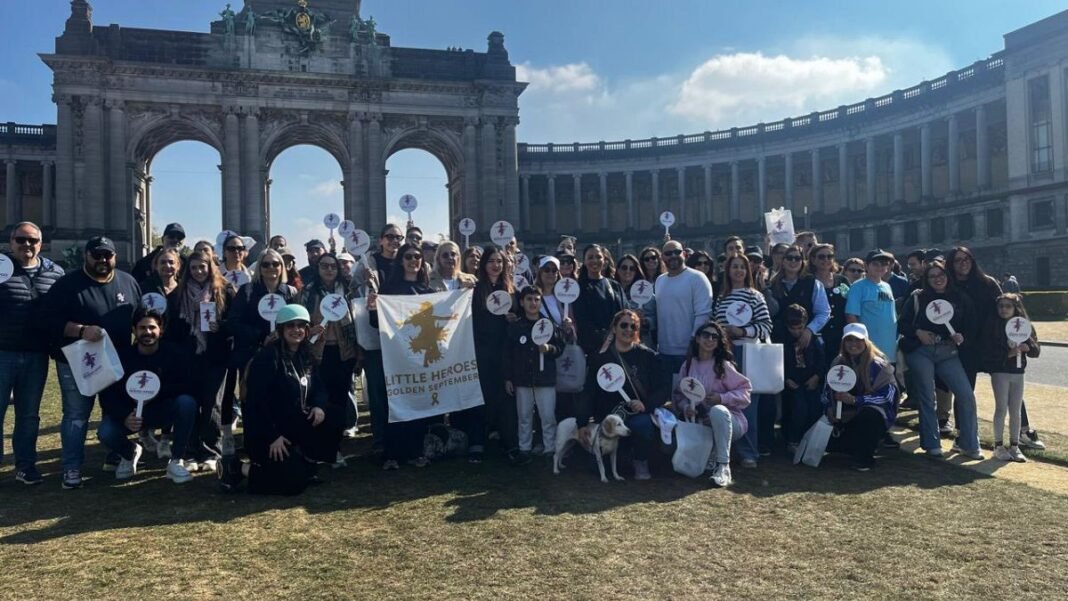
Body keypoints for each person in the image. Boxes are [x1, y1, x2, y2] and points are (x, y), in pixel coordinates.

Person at [40, 236, 142, 489]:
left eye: (107, 255)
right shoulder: (67, 285)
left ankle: (117, 452)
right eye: (96, 255)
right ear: (86, 256)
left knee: (113, 416)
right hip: (76, 363)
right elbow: (46, 322)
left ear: (115, 257)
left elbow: (141, 320)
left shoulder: (128, 282)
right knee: (76, 415)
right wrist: (80, 329)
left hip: (116, 364)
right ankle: (72, 468)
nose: (102, 260)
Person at [230, 304, 343, 495]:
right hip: (268, 434)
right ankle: (239, 469)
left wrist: (318, 406)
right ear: (281, 329)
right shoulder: (267, 358)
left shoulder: (305, 355)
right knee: (294, 484)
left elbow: (319, 387)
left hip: (293, 427)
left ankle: (307, 463)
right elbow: (256, 403)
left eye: (301, 326)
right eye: (290, 326)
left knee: (335, 415)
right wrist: (272, 435)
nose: (296, 330)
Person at [96, 308, 197, 484]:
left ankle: (176, 460)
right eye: (142, 328)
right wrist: (125, 415)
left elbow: (186, 385)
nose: (147, 332)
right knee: (106, 431)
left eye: (152, 327)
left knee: (187, 403)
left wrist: (157, 393)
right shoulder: (122, 358)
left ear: (161, 330)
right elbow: (108, 395)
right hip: (131, 414)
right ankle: (129, 453)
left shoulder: (174, 354)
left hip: (161, 410)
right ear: (134, 330)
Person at [0, 222, 64, 485]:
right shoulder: (1, 269)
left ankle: (26, 466)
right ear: (11, 242)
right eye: (21, 240)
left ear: (42, 243)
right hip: (2, 352)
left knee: (29, 414)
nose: (27, 245)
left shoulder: (55, 273)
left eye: (33, 240)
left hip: (36, 355)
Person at [898, 261, 981, 460]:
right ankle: (931, 443)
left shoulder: (959, 297)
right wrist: (918, 332)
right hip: (921, 351)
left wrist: (962, 337)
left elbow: (971, 325)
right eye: (932, 276)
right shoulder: (918, 297)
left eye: (941, 274)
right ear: (926, 279)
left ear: (948, 275)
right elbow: (902, 324)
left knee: (966, 394)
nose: (937, 279)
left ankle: (970, 444)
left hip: (948, 352)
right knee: (927, 397)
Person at [368, 243, 437, 469]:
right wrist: (372, 309)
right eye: (408, 256)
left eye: (417, 256)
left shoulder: (428, 292)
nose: (413, 260)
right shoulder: (389, 290)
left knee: (418, 404)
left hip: (419, 357)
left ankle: (415, 451)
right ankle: (391, 454)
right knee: (396, 403)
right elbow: (376, 324)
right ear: (401, 260)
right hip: (397, 357)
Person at [584, 309, 668, 480]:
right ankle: (621, 458)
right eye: (623, 325)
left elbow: (663, 388)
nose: (628, 329)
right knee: (595, 468)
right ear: (614, 329)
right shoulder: (600, 359)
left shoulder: (648, 356)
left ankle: (640, 460)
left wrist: (647, 405)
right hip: (609, 418)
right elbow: (588, 392)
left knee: (643, 426)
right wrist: (582, 422)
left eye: (633, 326)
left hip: (638, 414)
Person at [171, 249, 232, 472]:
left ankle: (210, 450)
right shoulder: (178, 294)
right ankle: (191, 450)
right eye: (194, 268)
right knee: (191, 403)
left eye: (202, 267)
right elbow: (172, 329)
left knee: (211, 403)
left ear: (210, 268)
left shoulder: (223, 290)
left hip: (215, 356)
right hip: (188, 357)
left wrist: (221, 326)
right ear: (188, 270)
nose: (198, 272)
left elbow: (233, 320)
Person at [671, 320, 751, 488]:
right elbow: (678, 395)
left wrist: (722, 399)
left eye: (715, 337)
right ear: (698, 338)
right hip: (700, 424)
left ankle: (723, 467)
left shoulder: (723, 366)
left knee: (718, 412)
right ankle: (710, 455)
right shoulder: (688, 365)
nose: (710, 339)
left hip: (730, 421)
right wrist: (687, 407)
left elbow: (745, 391)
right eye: (706, 335)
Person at [712, 254, 773, 468]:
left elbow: (766, 326)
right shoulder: (722, 297)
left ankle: (749, 452)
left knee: (748, 404)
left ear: (748, 271)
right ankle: (726, 449)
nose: (738, 271)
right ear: (727, 271)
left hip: (749, 353)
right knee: (727, 401)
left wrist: (741, 330)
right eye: (734, 267)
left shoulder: (755, 296)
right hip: (727, 355)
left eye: (742, 267)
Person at [301, 253, 359, 454]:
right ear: (317, 269)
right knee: (320, 400)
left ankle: (335, 447)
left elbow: (356, 319)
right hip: (319, 353)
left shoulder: (348, 292)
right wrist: (310, 330)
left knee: (340, 400)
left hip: (344, 353)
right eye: (324, 266)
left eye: (333, 266)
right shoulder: (308, 292)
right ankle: (319, 444)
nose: (329, 270)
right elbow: (300, 321)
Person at [822, 324, 897, 471]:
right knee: (832, 446)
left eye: (858, 340)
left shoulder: (879, 365)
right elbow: (826, 390)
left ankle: (865, 458)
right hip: (844, 415)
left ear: (866, 342)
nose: (853, 344)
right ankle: (851, 446)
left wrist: (857, 400)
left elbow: (888, 396)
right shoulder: (838, 362)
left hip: (872, 415)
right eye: (849, 340)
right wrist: (829, 408)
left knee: (869, 415)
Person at [504, 286, 564, 463]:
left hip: (544, 379)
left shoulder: (549, 325)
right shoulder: (515, 327)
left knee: (547, 416)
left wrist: (549, 349)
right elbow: (507, 354)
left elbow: (560, 348)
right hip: (522, 379)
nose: (533, 303)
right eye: (529, 299)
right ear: (522, 302)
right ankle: (524, 448)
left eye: (537, 299)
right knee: (524, 416)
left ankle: (550, 448)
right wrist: (508, 378)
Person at [982, 293, 1040, 462]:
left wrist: (1028, 347)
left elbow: (1036, 349)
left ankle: (1015, 446)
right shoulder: (992, 326)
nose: (1004, 309)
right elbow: (988, 353)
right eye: (1001, 306)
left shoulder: (1024, 325)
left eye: (1008, 306)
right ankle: (998, 446)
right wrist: (1007, 354)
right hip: (1000, 372)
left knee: (1015, 410)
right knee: (1001, 407)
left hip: (1018, 372)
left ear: (1015, 308)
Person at [472, 245, 516, 458]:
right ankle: (479, 439)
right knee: (483, 393)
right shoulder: (476, 289)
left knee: (505, 395)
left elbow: (518, 318)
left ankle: (506, 438)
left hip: (505, 350)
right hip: (482, 349)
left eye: (499, 261)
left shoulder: (510, 289)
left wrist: (512, 319)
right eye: (491, 261)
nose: (496, 265)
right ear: (484, 264)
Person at [654, 240, 714, 376]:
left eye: (677, 252)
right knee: (668, 395)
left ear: (685, 254)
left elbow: (703, 315)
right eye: (668, 253)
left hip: (689, 352)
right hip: (664, 351)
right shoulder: (659, 280)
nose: (673, 256)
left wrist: (693, 345)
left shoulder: (698, 278)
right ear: (662, 258)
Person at [782, 304, 825, 451]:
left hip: (810, 380)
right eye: (792, 329)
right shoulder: (783, 341)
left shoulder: (814, 340)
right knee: (797, 409)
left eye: (799, 328)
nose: (796, 332)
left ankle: (810, 440)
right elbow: (778, 362)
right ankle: (793, 439)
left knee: (814, 409)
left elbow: (822, 361)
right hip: (793, 382)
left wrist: (817, 377)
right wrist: (786, 378)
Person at [845, 250, 898, 362]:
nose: (880, 267)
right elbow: (851, 317)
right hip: (869, 348)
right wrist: (860, 342)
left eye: (884, 264)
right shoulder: (857, 287)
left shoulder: (887, 286)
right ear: (866, 266)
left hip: (890, 347)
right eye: (875, 264)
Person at [573, 244, 625, 356]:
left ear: (604, 260)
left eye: (598, 257)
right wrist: (604, 337)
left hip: (618, 345)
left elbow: (624, 311)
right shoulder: (579, 288)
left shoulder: (615, 285)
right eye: (590, 257)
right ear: (584, 261)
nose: (595, 260)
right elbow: (582, 320)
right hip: (593, 349)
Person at [808, 243, 849, 361]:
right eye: (821, 257)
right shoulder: (808, 281)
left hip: (840, 335)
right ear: (813, 259)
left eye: (830, 256)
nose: (826, 260)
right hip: (817, 334)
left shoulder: (842, 280)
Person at [615, 253, 657, 347]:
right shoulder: (610, 291)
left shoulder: (647, 293)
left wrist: (646, 321)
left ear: (636, 271)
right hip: (617, 343)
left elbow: (657, 318)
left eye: (632, 268)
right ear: (618, 270)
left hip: (642, 343)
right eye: (624, 267)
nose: (628, 271)